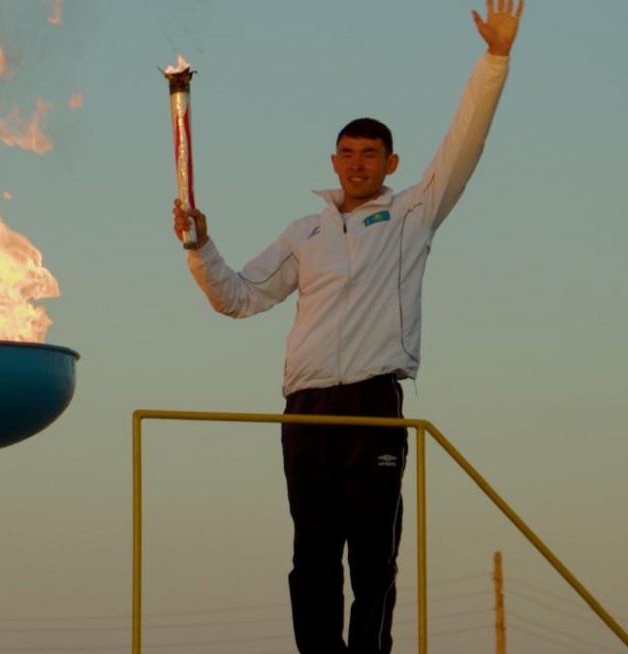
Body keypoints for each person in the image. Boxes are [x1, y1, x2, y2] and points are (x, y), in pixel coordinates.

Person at [171, 2, 524, 652]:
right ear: (332, 162)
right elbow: (239, 297)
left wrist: (494, 59)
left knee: (372, 560)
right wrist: (200, 247)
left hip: (371, 403)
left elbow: (465, 140)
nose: (358, 163)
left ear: (392, 163)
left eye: (371, 154)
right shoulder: (303, 232)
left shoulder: (413, 212)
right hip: (305, 408)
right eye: (347, 153)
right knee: (311, 556)